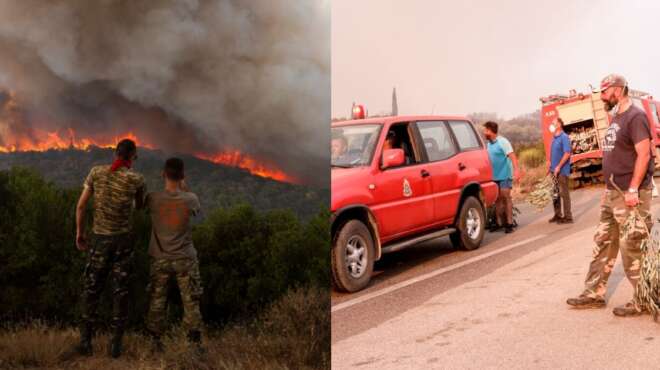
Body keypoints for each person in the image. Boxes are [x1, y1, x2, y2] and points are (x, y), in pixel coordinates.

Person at [566, 73, 654, 317]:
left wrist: (634, 189)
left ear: (617, 89)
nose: (602, 97)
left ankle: (645, 299)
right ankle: (593, 293)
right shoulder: (617, 117)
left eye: (604, 92)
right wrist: (607, 190)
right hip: (613, 193)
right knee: (603, 243)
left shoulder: (636, 117)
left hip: (630, 194)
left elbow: (644, 154)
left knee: (633, 247)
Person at [74, 139, 146, 358]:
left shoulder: (96, 172)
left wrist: (80, 232)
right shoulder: (137, 179)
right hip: (123, 243)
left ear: (115, 153)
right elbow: (140, 207)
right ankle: (115, 346)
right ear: (132, 156)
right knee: (120, 293)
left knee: (91, 291)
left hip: (98, 241)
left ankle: (86, 343)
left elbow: (81, 205)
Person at [145, 158, 204, 353]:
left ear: (163, 174)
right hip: (185, 259)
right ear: (182, 176)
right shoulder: (190, 198)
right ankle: (194, 345)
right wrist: (184, 187)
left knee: (157, 299)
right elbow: (195, 210)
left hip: (160, 258)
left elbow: (140, 205)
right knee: (191, 300)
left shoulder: (152, 198)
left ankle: (155, 342)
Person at [483, 121, 520, 233]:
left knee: (506, 197)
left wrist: (517, 171)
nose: (484, 133)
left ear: (491, 131)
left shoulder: (503, 142)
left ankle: (509, 224)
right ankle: (499, 223)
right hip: (494, 177)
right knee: (497, 200)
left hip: (505, 175)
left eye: (486, 130)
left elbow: (512, 157)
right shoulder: (488, 144)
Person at [548, 117, 573, 224]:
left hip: (562, 171)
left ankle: (568, 217)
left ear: (559, 125)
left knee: (564, 194)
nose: (552, 125)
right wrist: (550, 167)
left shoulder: (564, 137)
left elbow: (567, 153)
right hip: (554, 171)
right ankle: (558, 214)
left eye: (553, 123)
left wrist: (558, 166)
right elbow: (554, 154)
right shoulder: (554, 138)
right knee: (555, 193)